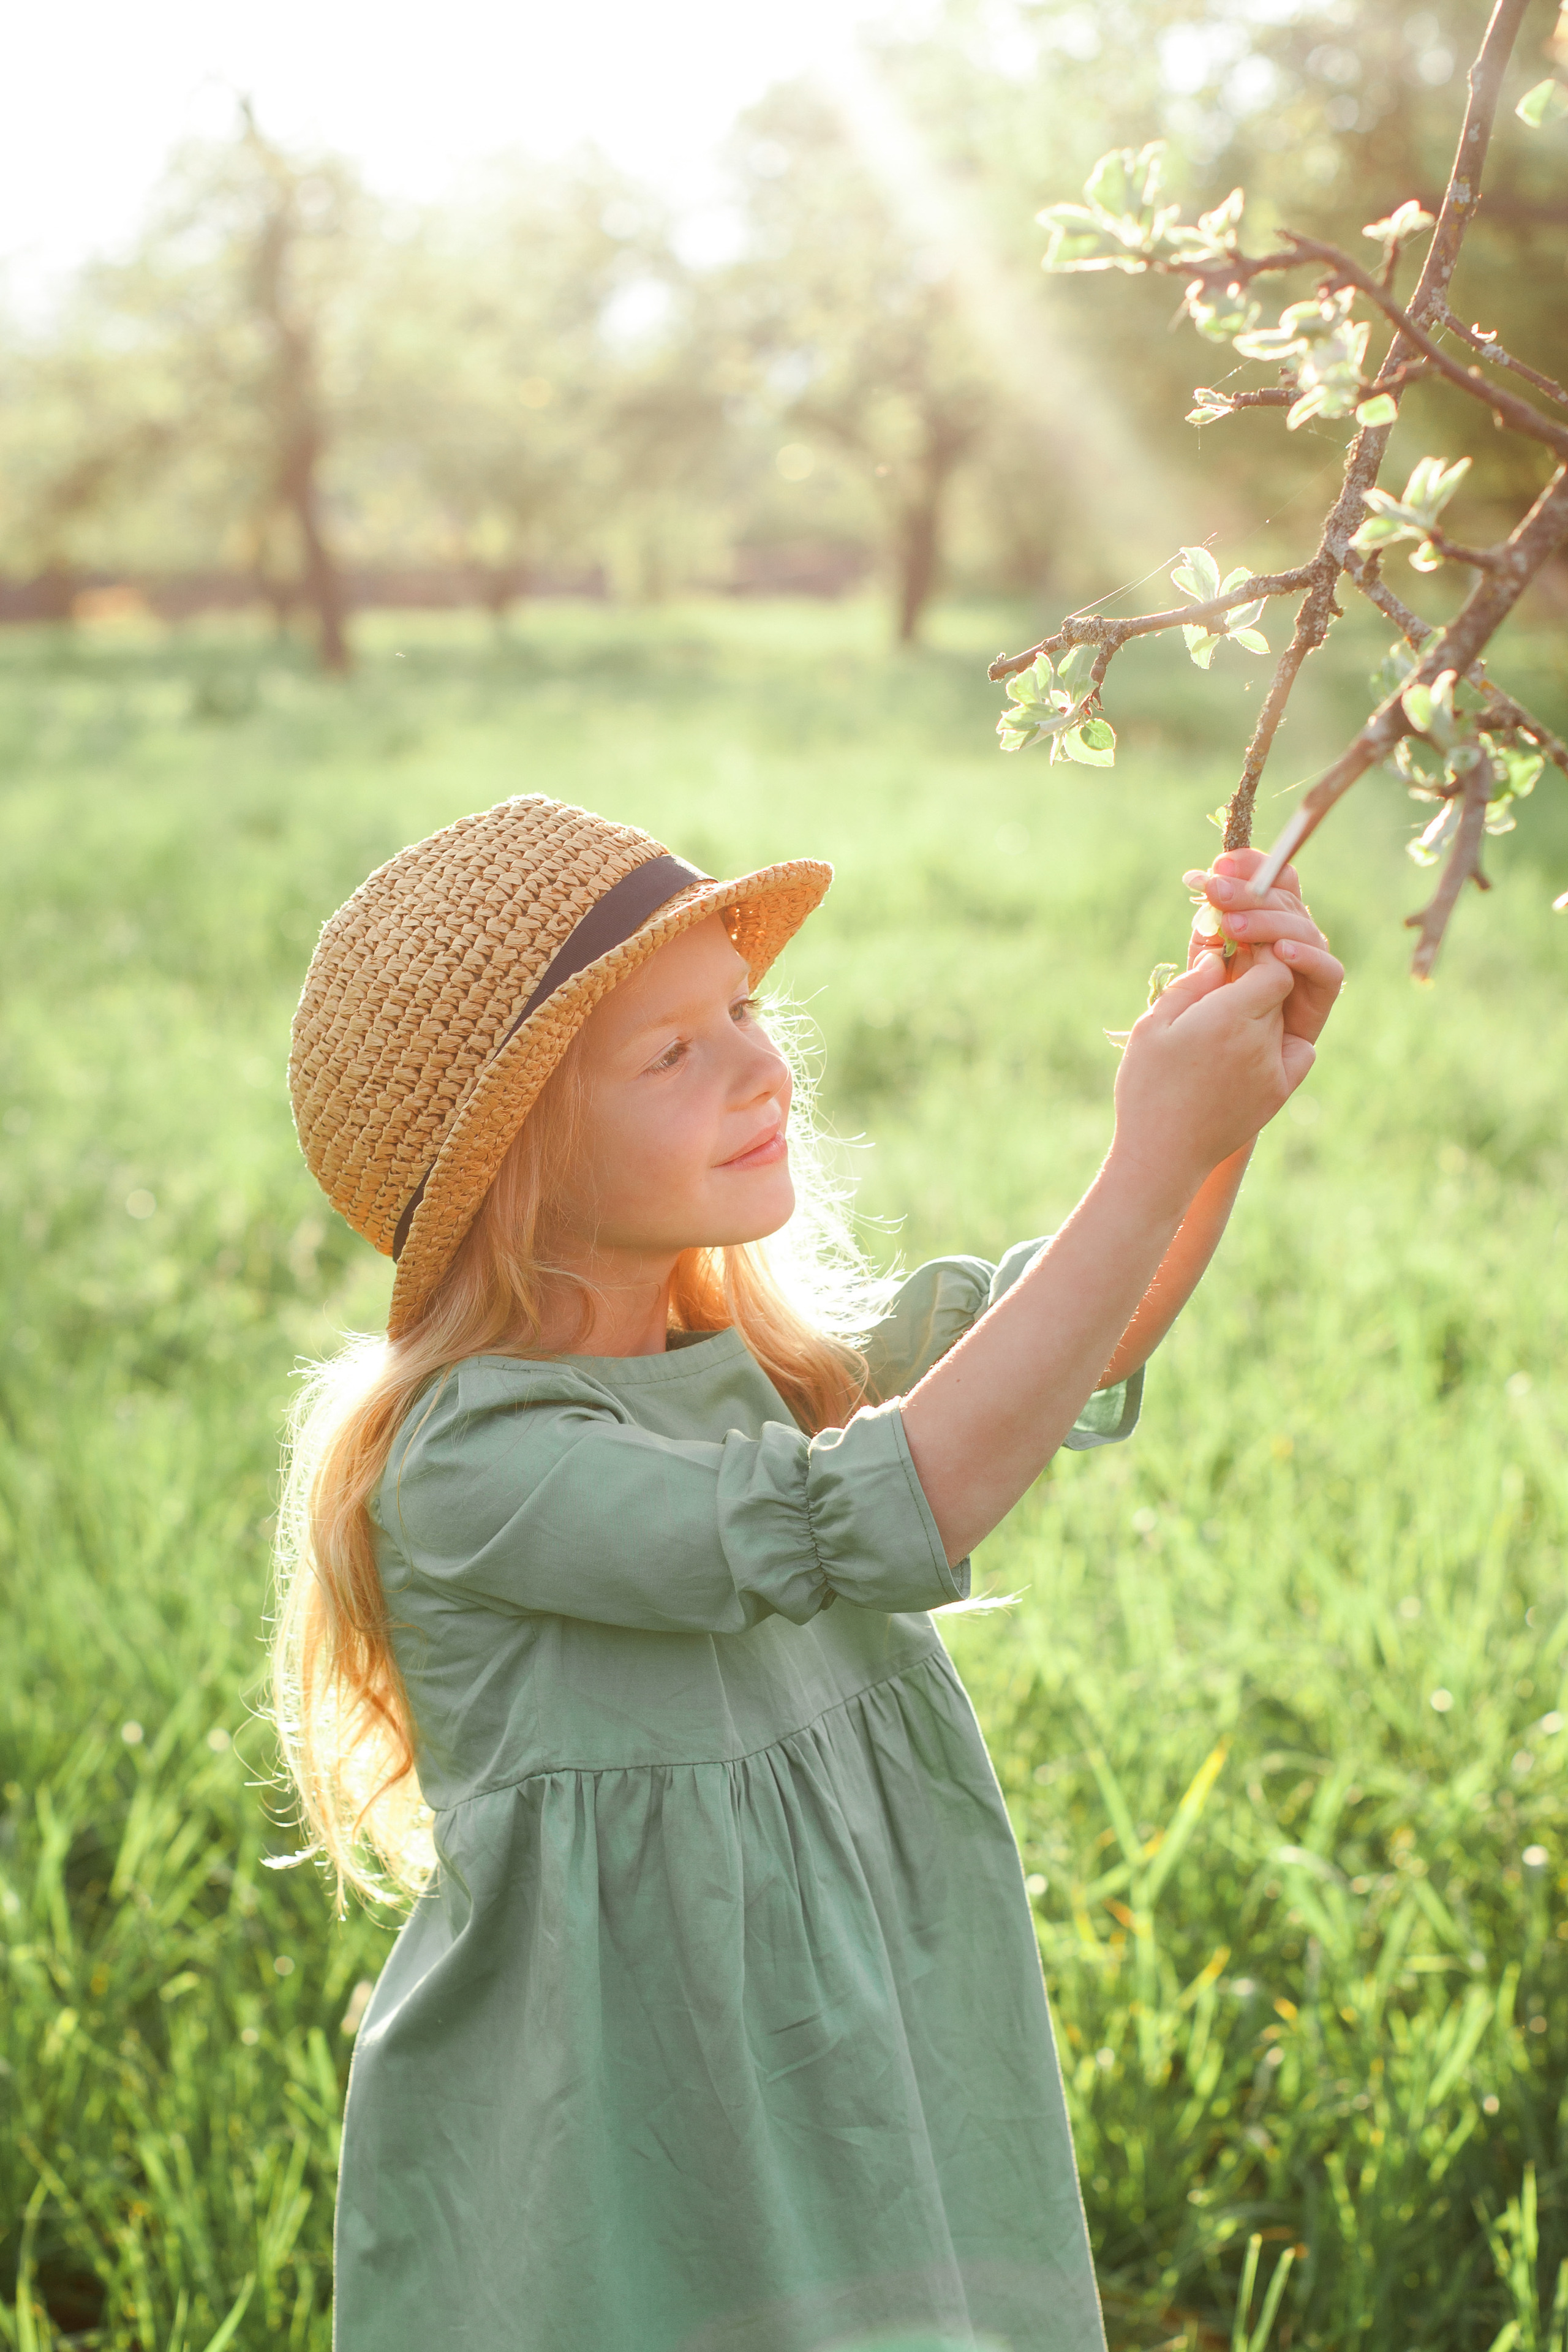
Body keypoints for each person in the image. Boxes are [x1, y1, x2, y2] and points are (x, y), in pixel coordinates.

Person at [273, 793, 1341, 2352]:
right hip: (627, 2144)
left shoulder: (756, 1376)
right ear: (515, 1158)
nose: (763, 1067)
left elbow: (1065, 1339)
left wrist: (1217, 1114)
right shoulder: (469, 1467)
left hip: (845, 2057)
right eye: (672, 1051)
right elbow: (905, 1500)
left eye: (743, 1011)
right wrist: (1149, 1145)